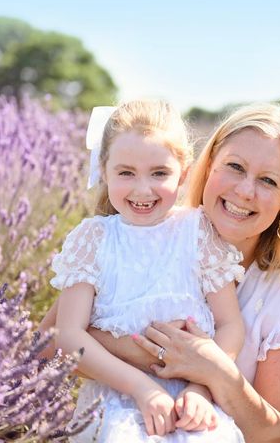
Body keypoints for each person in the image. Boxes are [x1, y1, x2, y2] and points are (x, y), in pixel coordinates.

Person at [40, 102, 280, 442]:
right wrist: (150, 359)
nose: (245, 191)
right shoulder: (124, 236)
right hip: (123, 413)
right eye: (235, 167)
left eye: (267, 180)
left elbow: (279, 433)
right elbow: (51, 343)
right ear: (206, 168)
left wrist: (210, 376)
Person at [48, 100, 246, 442]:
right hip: (117, 400)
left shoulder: (197, 233)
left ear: (183, 173)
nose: (143, 189)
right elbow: (68, 335)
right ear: (104, 171)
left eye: (159, 173)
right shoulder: (94, 240)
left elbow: (230, 324)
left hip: (193, 404)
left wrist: (203, 387)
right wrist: (142, 389)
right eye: (126, 173)